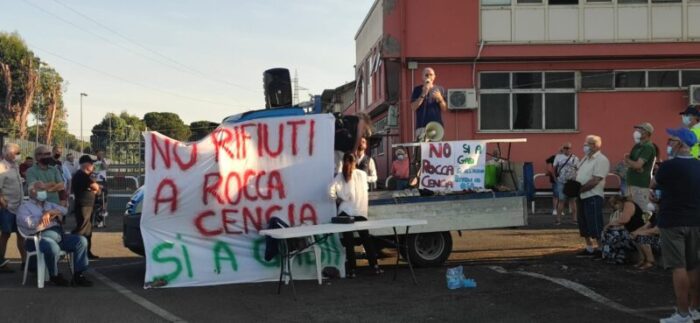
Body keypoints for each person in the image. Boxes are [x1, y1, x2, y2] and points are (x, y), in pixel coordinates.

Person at [653, 127, 700, 323]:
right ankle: (695, 308)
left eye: (672, 140)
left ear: (680, 144)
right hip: (695, 221)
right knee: (694, 265)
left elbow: (653, 185)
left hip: (673, 221)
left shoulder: (669, 167)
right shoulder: (698, 165)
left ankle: (682, 314)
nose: (669, 144)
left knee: (677, 266)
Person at [16, 182, 92, 287]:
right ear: (32, 192)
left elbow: (65, 210)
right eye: (40, 189)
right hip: (38, 237)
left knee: (81, 241)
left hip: (59, 235)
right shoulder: (24, 207)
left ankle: (78, 275)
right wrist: (43, 216)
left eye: (44, 189)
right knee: (52, 247)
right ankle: (54, 275)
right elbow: (28, 223)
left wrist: (51, 211)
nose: (43, 191)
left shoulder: (49, 204)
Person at [329, 153, 381, 278]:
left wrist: (336, 199)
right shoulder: (362, 174)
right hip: (360, 211)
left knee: (349, 242)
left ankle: (352, 270)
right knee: (366, 239)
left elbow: (329, 190)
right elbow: (371, 182)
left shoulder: (340, 176)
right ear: (355, 162)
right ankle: (375, 266)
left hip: (344, 212)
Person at [575, 135, 610, 257]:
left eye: (588, 143)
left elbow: (595, 180)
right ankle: (589, 247)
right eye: (585, 143)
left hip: (593, 195)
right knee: (583, 222)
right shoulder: (585, 158)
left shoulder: (601, 159)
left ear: (595, 145)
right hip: (581, 195)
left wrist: (579, 190)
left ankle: (601, 248)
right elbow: (577, 173)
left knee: (594, 222)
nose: (585, 146)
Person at [0, 143, 26, 272]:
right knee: (5, 234)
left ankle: (25, 262)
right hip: (7, 208)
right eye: (17, 153)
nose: (19, 155)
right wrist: (3, 203)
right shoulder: (1, 167)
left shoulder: (14, 166)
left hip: (19, 207)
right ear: (9, 154)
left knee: (21, 234)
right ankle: (1, 263)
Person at [600, 196, 644, 264]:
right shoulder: (624, 207)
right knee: (607, 233)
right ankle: (616, 256)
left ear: (618, 203)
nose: (615, 209)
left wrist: (609, 225)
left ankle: (610, 256)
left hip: (637, 233)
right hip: (632, 233)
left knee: (610, 235)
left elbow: (624, 220)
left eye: (614, 206)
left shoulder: (628, 204)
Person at [72, 155, 101, 260]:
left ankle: (87, 252)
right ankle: (73, 247)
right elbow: (95, 187)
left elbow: (98, 190)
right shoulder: (81, 175)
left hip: (88, 205)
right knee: (82, 228)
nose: (93, 166)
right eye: (91, 163)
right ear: (86, 164)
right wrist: (95, 187)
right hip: (83, 205)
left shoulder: (86, 176)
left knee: (88, 230)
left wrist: (96, 188)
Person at [624, 122, 657, 209]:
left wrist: (629, 161)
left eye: (640, 129)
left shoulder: (648, 147)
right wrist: (631, 163)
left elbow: (637, 165)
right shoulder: (637, 146)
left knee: (641, 210)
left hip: (641, 185)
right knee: (632, 210)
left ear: (646, 132)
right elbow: (628, 163)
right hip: (631, 183)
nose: (637, 131)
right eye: (637, 129)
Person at [411, 67, 447, 141]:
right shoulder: (417, 90)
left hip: (436, 126)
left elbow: (444, 108)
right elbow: (413, 107)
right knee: (423, 151)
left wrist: (440, 98)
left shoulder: (440, 89)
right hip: (422, 126)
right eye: (426, 75)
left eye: (431, 75)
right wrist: (423, 93)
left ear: (434, 77)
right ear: (422, 77)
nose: (429, 77)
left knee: (436, 150)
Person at [553, 142, 579, 225]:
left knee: (573, 201)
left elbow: (578, 169)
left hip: (572, 182)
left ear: (571, 149)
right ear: (562, 149)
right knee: (561, 200)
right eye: (565, 148)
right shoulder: (558, 157)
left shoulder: (575, 158)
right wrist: (555, 179)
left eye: (569, 148)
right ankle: (558, 219)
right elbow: (554, 168)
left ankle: (575, 219)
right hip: (561, 181)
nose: (567, 149)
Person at [93, 150, 109, 219]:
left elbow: (106, 168)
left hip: (103, 181)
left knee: (104, 196)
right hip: (95, 181)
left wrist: (102, 160)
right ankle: (96, 212)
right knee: (96, 197)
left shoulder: (106, 161)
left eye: (102, 154)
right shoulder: (93, 162)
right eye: (99, 154)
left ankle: (104, 210)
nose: (100, 155)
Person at [545, 152, 560, 217]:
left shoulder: (566, 158)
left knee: (559, 195)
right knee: (556, 194)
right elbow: (549, 168)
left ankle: (558, 210)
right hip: (556, 180)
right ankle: (555, 209)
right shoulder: (553, 158)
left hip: (561, 179)